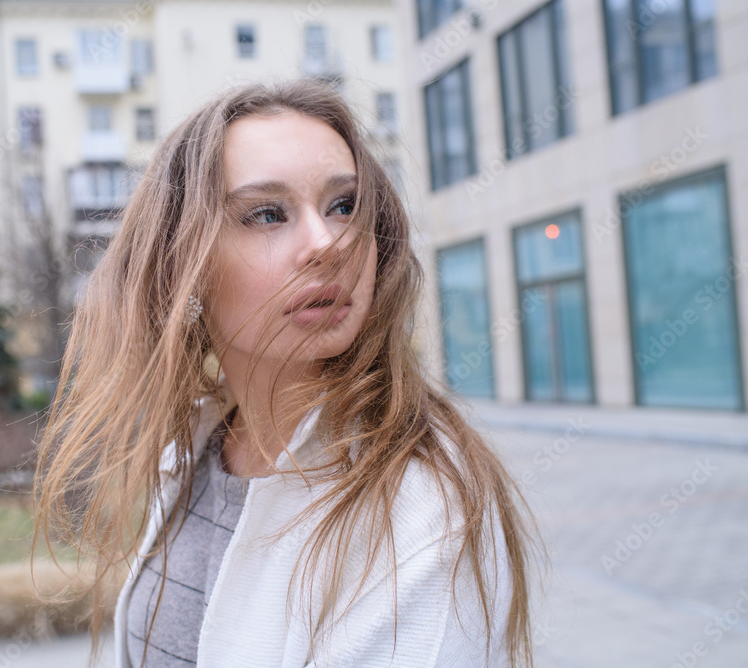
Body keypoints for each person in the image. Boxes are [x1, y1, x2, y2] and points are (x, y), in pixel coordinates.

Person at [33, 78, 542, 668]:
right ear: (182, 266)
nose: (328, 243)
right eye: (268, 214)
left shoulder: (421, 504)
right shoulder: (196, 446)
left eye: (344, 205)